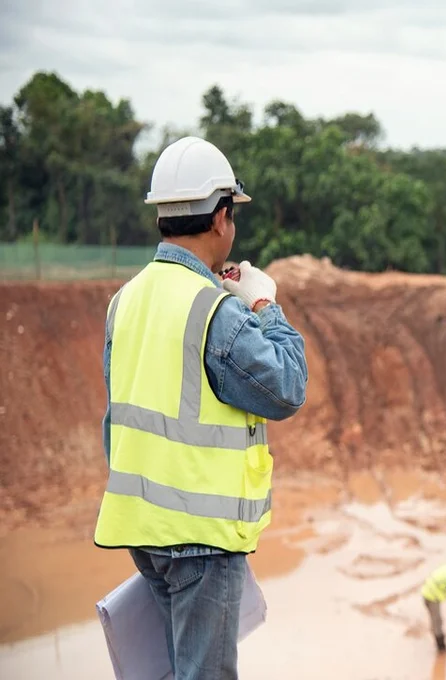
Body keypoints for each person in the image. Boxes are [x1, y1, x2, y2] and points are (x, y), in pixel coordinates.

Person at [93, 136, 309, 680]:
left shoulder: (127, 299)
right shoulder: (214, 309)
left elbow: (117, 420)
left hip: (146, 532)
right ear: (219, 217)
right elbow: (286, 386)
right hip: (200, 540)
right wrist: (263, 303)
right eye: (231, 213)